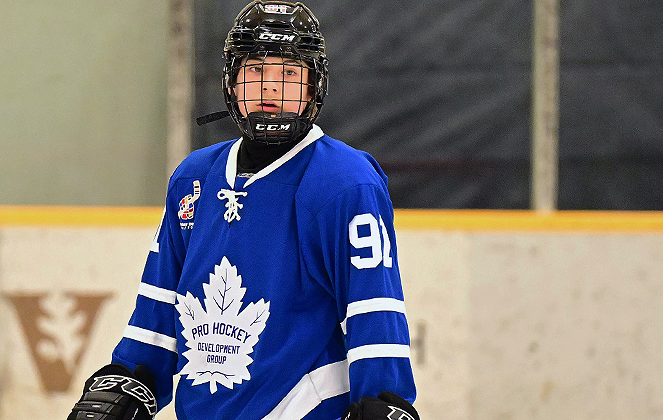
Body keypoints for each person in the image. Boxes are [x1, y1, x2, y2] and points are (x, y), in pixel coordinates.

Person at [67, 1, 418, 419]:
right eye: (255, 71)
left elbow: (372, 305)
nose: (270, 88)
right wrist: (131, 379)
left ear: (314, 87)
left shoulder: (344, 182)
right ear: (231, 83)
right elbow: (160, 300)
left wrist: (384, 399)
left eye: (289, 73)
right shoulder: (194, 177)